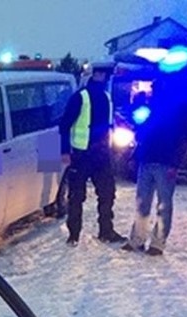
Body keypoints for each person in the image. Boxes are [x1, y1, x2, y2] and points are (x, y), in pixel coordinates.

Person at [122, 64, 187, 256]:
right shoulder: (154, 103)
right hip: (148, 158)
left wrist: (176, 163)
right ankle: (138, 239)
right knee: (143, 202)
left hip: (165, 161)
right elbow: (144, 130)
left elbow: (184, 135)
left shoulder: (181, 104)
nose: (152, 88)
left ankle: (157, 242)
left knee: (163, 204)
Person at [58, 60, 126, 246]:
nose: (106, 79)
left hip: (102, 155)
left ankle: (106, 231)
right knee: (76, 197)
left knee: (107, 194)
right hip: (81, 155)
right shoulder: (81, 97)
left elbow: (109, 125)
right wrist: (65, 151)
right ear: (97, 75)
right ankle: (74, 235)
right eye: (105, 75)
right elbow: (64, 125)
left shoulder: (106, 97)